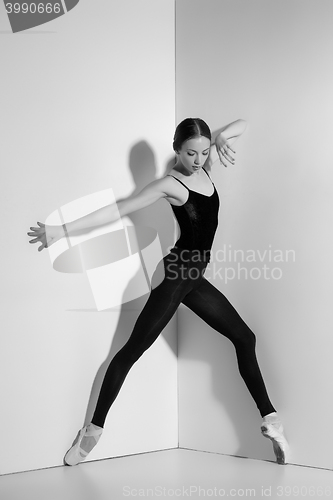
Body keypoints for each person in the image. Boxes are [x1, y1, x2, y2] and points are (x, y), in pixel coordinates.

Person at [28, 118, 290, 466]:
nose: (198, 159)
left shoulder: (206, 168)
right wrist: (62, 230)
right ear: (176, 150)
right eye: (190, 152)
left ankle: (270, 420)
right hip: (178, 272)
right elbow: (119, 209)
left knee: (245, 337)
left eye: (204, 151)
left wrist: (223, 135)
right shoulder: (171, 184)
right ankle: (92, 432)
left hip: (194, 277)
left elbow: (243, 123)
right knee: (130, 351)